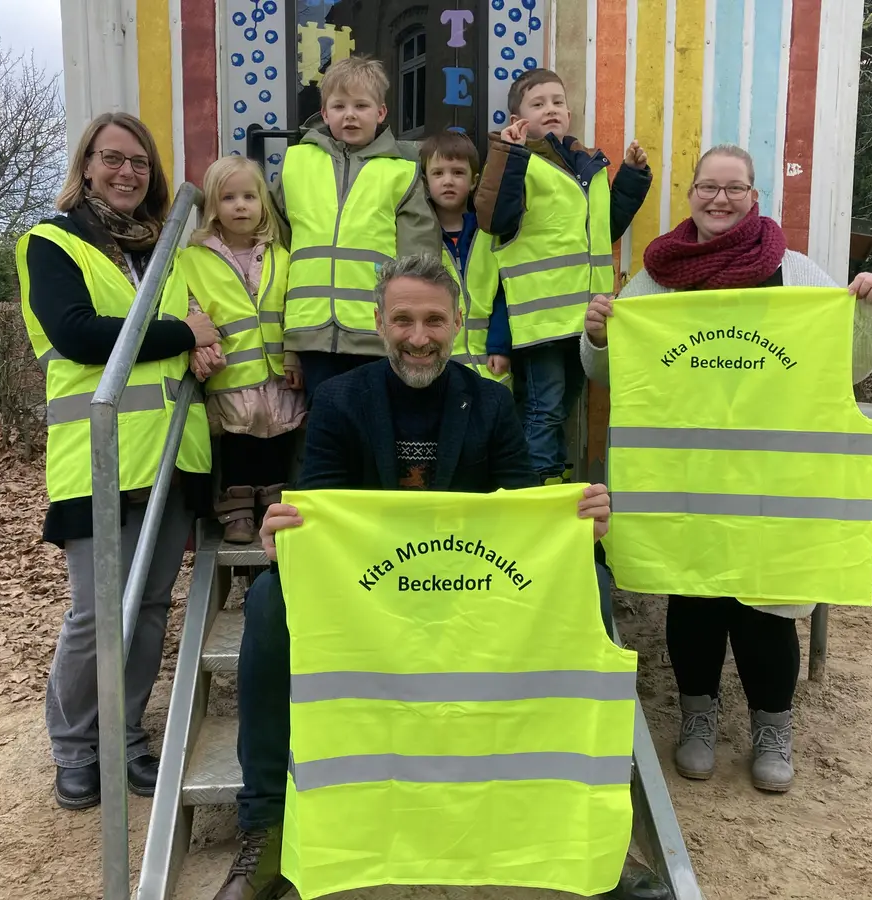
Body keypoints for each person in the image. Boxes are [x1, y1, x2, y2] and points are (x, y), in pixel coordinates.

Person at [210, 254, 667, 900]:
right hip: (369, 599)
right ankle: (268, 823)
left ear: (457, 323)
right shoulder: (340, 400)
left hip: (476, 590)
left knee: (585, 586)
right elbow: (319, 505)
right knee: (267, 601)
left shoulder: (489, 402)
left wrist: (572, 524)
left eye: (432, 319)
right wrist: (286, 535)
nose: (418, 335)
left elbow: (522, 504)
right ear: (379, 322)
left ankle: (581, 820)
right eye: (403, 319)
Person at [580, 143, 872, 792]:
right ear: (691, 194)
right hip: (688, 480)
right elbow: (610, 375)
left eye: (735, 188)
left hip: (775, 486)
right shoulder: (657, 277)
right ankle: (697, 715)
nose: (720, 198)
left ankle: (772, 725)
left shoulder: (798, 275)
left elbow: (851, 367)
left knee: (767, 608)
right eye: (707, 187)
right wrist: (596, 337)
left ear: (755, 196)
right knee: (693, 596)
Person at [15, 112, 221, 809]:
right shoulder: (51, 242)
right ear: (87, 166)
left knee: (152, 606)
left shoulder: (167, 249)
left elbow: (203, 327)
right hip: (98, 459)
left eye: (139, 161)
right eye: (112, 159)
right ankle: (75, 748)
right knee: (96, 614)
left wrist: (202, 340)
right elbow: (78, 334)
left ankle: (126, 736)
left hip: (169, 456)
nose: (127, 172)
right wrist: (181, 333)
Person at [474, 67, 652, 485]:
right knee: (543, 409)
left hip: (583, 318)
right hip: (540, 323)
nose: (550, 109)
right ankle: (530, 488)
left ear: (570, 112)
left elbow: (605, 228)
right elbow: (494, 217)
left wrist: (630, 176)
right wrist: (510, 153)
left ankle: (549, 481)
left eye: (557, 102)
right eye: (537, 104)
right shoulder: (517, 160)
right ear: (518, 119)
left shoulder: (584, 163)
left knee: (563, 406)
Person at [274, 55, 442, 405]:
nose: (350, 114)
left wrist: (411, 330)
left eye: (361, 105)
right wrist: (289, 348)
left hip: (375, 332)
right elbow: (275, 255)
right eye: (339, 106)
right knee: (325, 428)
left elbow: (419, 260)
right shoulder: (296, 163)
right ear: (324, 114)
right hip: (310, 332)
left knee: (374, 427)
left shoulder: (401, 171)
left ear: (380, 113)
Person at [174, 155, 305, 544]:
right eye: (229, 198)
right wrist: (200, 350)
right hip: (230, 373)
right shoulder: (192, 259)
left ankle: (273, 505)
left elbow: (294, 306)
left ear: (263, 203)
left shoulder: (281, 255)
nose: (241, 206)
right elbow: (190, 307)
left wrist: (295, 352)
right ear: (213, 206)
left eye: (249, 196)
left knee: (278, 438)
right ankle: (236, 512)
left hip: (278, 371)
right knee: (238, 442)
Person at [419, 129, 511, 386]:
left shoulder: (488, 233)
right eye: (438, 173)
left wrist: (500, 345)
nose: (448, 181)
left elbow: (505, 291)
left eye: (458, 172)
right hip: (437, 370)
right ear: (426, 182)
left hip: (490, 367)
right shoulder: (419, 237)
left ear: (474, 181)